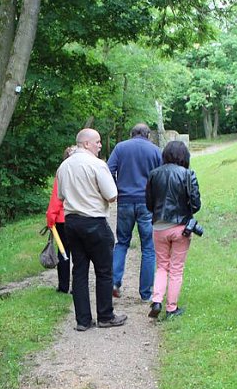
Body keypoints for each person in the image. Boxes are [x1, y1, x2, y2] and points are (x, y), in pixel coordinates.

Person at [56, 129, 127, 331]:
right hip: (94, 221)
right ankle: (105, 316)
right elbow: (112, 195)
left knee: (79, 271)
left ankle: (83, 320)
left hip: (71, 223)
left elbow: (61, 196)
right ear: (86, 143)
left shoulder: (63, 166)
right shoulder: (97, 165)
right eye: (97, 142)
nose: (100, 145)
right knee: (104, 271)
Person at [145, 141, 201, 320]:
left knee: (162, 266)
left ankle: (156, 300)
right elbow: (196, 204)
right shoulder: (187, 174)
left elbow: (149, 204)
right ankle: (171, 308)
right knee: (176, 269)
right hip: (180, 227)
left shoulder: (154, 174)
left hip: (159, 227)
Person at [107, 123, 162, 301]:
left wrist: (116, 190)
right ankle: (146, 293)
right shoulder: (155, 151)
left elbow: (108, 170)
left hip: (124, 201)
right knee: (148, 248)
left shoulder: (120, 148)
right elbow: (162, 175)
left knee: (122, 243)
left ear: (132, 134)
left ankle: (114, 282)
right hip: (147, 203)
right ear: (148, 135)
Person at [45, 146, 76, 294]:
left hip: (63, 219)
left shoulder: (62, 172)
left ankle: (63, 286)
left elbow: (56, 198)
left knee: (63, 253)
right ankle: (77, 286)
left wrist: (50, 218)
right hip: (79, 216)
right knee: (78, 254)